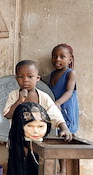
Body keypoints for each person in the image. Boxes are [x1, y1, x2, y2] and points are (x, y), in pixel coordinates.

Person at [3, 60, 73, 141]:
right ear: (16, 78)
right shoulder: (13, 95)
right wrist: (20, 100)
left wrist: (65, 129)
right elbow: (7, 115)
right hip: (17, 138)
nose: (25, 80)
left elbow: (55, 114)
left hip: (39, 138)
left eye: (30, 76)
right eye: (21, 77)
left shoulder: (44, 97)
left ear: (37, 78)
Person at [49, 44, 79, 175]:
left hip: (66, 109)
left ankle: (64, 170)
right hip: (56, 110)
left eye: (62, 57)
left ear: (70, 59)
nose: (57, 59)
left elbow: (69, 91)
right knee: (58, 137)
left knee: (66, 138)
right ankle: (61, 168)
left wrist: (58, 102)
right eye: (55, 56)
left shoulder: (71, 73)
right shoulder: (52, 74)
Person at [7, 102, 52, 175]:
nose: (35, 131)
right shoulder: (16, 143)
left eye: (40, 126)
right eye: (29, 126)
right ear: (19, 125)